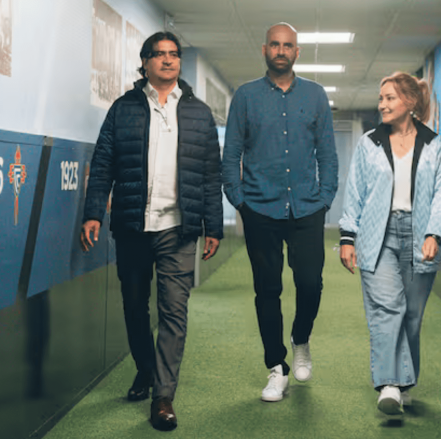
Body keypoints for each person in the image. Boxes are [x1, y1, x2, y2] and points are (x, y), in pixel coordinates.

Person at [81, 31, 223, 431]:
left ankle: (163, 396)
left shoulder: (198, 112)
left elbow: (210, 173)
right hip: (133, 225)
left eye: (173, 54)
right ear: (144, 62)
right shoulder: (123, 108)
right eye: (158, 55)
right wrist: (94, 211)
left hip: (179, 227)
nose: (167, 60)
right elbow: (104, 161)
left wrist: (213, 224)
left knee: (174, 310)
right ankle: (145, 369)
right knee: (134, 304)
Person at [221, 22, 338, 402]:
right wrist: (240, 201)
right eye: (275, 44)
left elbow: (328, 155)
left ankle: (300, 338)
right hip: (259, 207)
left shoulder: (316, 96)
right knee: (267, 290)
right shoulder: (246, 96)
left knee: (310, 283)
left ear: (297, 52)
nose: (281, 50)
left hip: (306, 207)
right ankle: (277, 368)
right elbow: (231, 154)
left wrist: (324, 198)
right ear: (265, 49)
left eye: (288, 45)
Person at [338, 72, 441, 415]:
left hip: (419, 235)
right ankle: (389, 384)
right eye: (380, 98)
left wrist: (434, 232)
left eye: (390, 98)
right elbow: (354, 192)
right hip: (379, 236)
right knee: (389, 310)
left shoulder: (435, 144)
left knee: (412, 317)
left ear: (411, 102)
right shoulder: (369, 143)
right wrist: (348, 236)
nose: (382, 104)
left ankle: (405, 381)